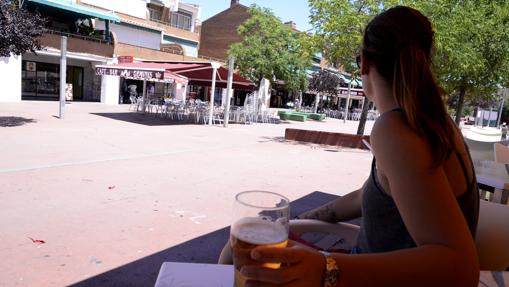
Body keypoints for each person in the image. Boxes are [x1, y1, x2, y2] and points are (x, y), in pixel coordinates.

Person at [232, 6, 480, 287]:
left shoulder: (396, 129)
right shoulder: (437, 123)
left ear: (363, 63)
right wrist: (299, 218)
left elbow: (461, 268)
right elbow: (365, 196)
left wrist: (326, 270)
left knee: (238, 255)